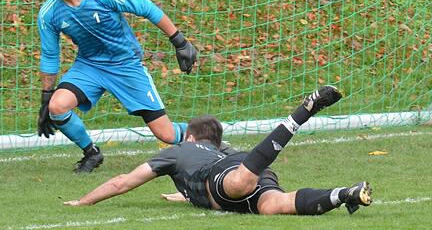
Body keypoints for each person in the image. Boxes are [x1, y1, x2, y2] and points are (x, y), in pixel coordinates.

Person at [63, 85, 373, 216]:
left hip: (230, 179)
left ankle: (304, 111)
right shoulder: (215, 151)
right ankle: (344, 193)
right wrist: (180, 194)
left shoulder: (180, 150)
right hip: (245, 175)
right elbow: (192, 184)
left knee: (240, 182)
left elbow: (123, 182)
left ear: (192, 138)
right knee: (275, 206)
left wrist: (83, 201)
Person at [35, 0, 198, 173]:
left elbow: (146, 7)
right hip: (89, 65)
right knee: (58, 106)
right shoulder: (48, 13)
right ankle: (91, 153)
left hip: (125, 65)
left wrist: (179, 42)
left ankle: (210, 136)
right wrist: (46, 98)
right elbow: (50, 55)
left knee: (167, 134)